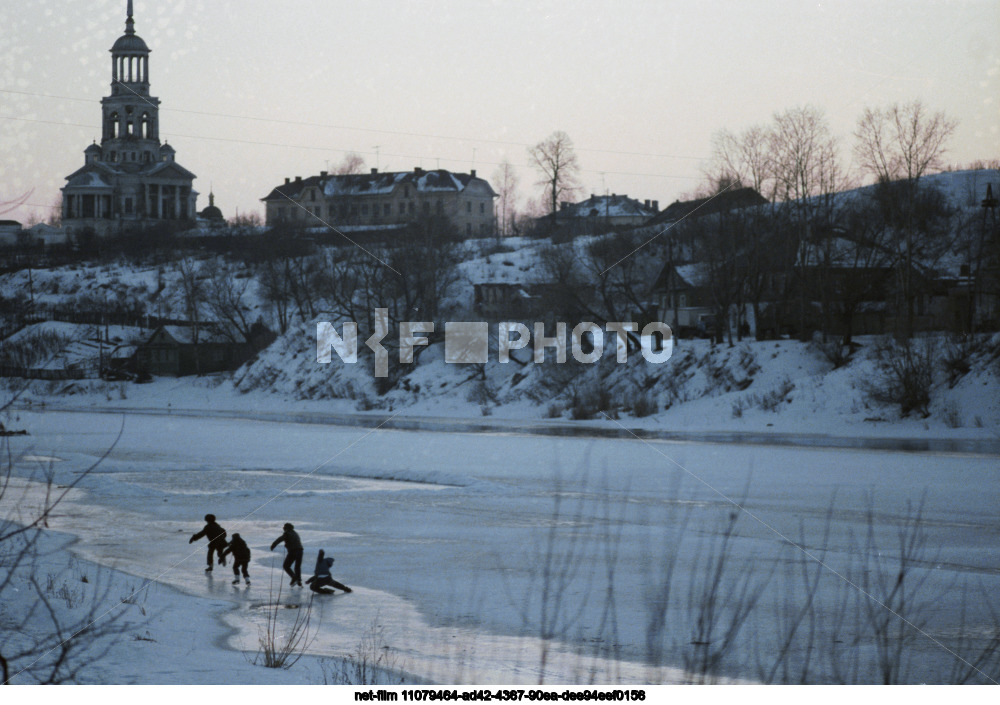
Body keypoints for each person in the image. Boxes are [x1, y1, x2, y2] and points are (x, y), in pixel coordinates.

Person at [270, 522, 303, 587]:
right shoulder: (295, 533)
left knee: (286, 566)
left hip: (293, 551)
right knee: (297, 567)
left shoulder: (287, 533)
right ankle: (298, 581)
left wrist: (273, 545)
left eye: (284, 527)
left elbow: (279, 539)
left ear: (286, 528)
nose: (283, 528)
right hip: (300, 551)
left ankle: (294, 578)